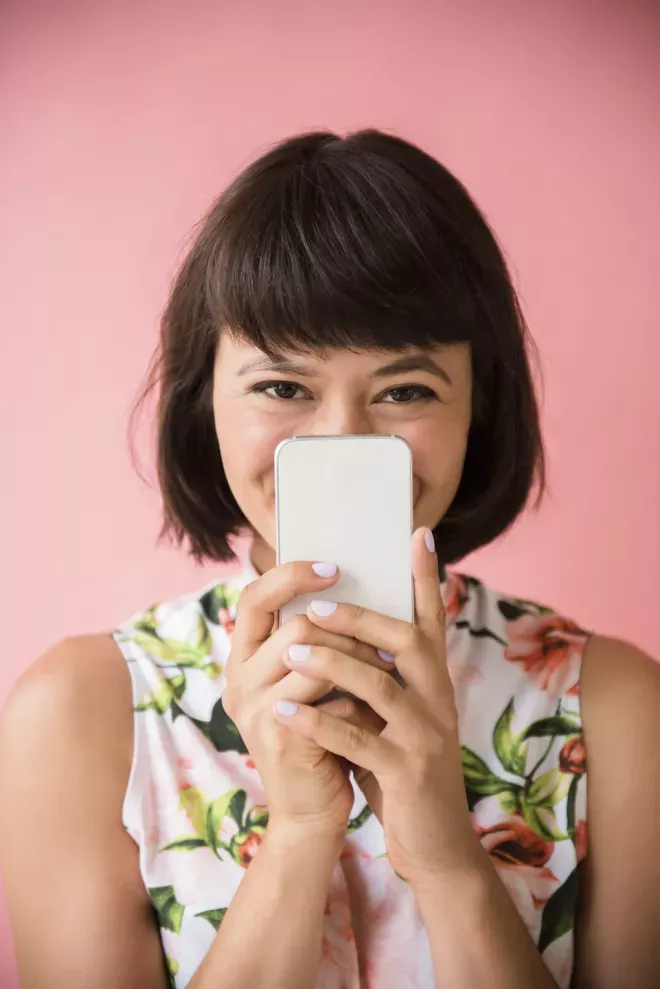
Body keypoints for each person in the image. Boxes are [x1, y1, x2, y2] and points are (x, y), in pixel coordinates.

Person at [0, 129, 658, 989]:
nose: (344, 437)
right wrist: (301, 836)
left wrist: (451, 862)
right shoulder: (82, 715)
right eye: (283, 386)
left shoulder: (614, 711)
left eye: (406, 390)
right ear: (205, 403)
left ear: (476, 412)